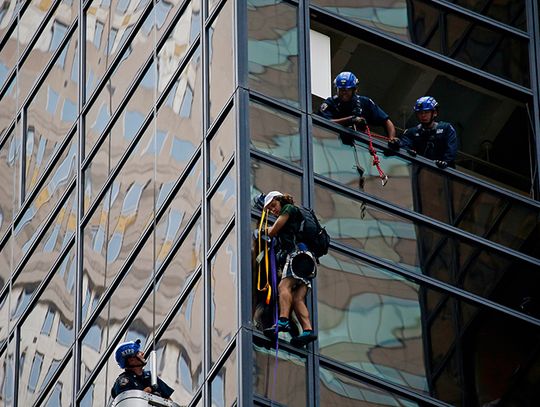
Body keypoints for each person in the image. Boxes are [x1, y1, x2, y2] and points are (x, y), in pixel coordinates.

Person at [262, 191, 318, 347]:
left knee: (283, 287)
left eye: (273, 205)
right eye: (270, 210)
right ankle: (307, 330)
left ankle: (283, 321)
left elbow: (273, 231)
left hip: (296, 256)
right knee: (297, 298)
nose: (273, 210)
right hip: (307, 261)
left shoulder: (289, 209)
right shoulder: (294, 215)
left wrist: (263, 231)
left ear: (280, 200)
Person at [318, 71, 398, 147]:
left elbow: (386, 121)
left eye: (347, 90)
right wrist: (351, 120)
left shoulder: (365, 102)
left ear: (355, 90)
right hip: (332, 143)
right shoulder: (330, 103)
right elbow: (323, 122)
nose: (343, 93)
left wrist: (392, 139)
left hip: (359, 146)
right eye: (341, 90)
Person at [400, 96, 458, 168]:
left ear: (435, 113)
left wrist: (445, 163)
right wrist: (408, 152)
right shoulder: (411, 132)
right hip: (417, 172)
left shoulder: (446, 128)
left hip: (443, 174)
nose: (423, 116)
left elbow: (451, 151)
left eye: (426, 112)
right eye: (420, 113)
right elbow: (404, 147)